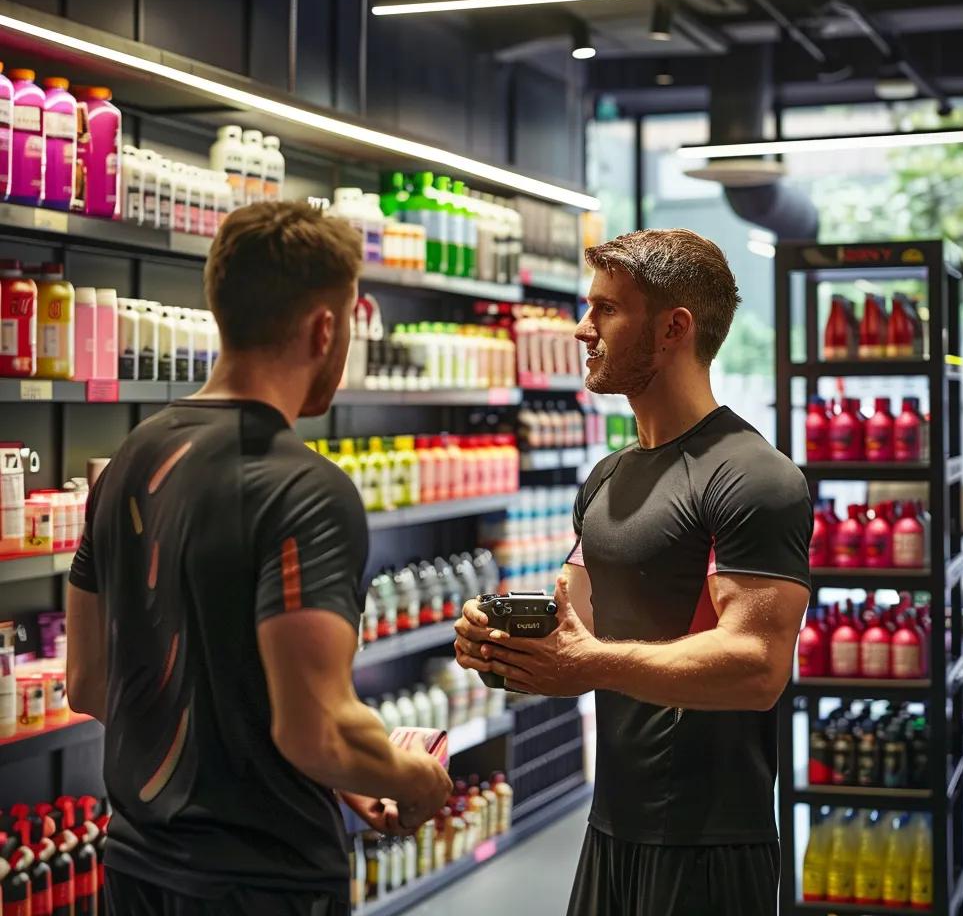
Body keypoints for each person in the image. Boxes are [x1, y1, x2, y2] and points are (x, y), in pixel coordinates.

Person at [65, 202, 452, 916]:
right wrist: (415, 780)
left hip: (137, 871)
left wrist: (339, 765)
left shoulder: (126, 462)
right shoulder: (304, 489)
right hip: (262, 884)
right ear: (325, 328)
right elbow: (316, 728)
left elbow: (88, 683)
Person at [455, 229, 811, 916]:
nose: (583, 330)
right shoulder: (607, 478)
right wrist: (497, 641)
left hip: (708, 845)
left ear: (674, 328)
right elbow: (574, 624)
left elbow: (758, 666)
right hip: (611, 827)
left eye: (606, 311)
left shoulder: (755, 477)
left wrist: (589, 664)